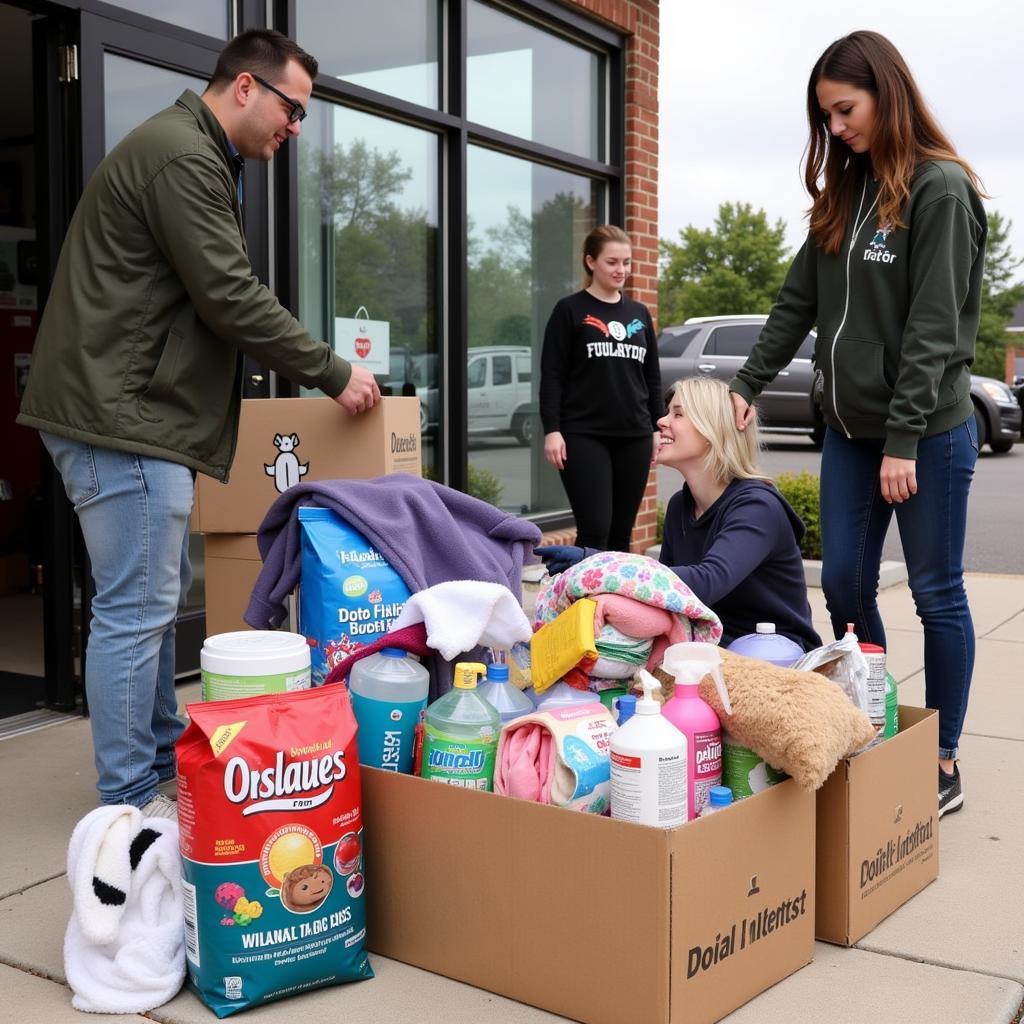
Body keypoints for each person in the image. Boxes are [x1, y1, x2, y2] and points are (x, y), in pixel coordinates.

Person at [17, 30, 380, 818]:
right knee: (131, 612)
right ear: (246, 88)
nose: (296, 127)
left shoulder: (189, 151)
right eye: (293, 109)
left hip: (125, 412)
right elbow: (228, 294)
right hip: (123, 417)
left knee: (146, 600)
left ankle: (152, 760)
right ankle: (126, 805)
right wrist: (332, 370)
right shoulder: (185, 157)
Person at [728, 30, 987, 817]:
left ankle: (941, 757)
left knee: (937, 593)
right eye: (827, 117)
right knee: (842, 583)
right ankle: (870, 717)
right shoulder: (843, 195)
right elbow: (796, 303)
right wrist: (748, 380)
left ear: (886, 92)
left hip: (927, 434)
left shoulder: (940, 190)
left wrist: (904, 438)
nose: (836, 128)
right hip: (848, 431)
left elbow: (936, 329)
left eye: (846, 110)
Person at [537, 376, 821, 652]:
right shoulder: (679, 507)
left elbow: (706, 581)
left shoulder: (757, 507)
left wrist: (596, 563)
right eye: (667, 412)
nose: (661, 421)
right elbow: (667, 596)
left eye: (678, 414)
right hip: (707, 647)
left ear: (712, 430)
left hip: (775, 657)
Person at [539, 224, 662, 553]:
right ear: (591, 262)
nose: (621, 270)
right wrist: (552, 429)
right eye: (612, 262)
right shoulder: (570, 310)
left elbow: (651, 375)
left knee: (621, 534)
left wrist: (656, 426)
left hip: (634, 435)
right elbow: (552, 374)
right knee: (595, 529)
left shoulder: (638, 314)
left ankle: (617, 606)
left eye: (627, 262)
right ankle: (586, 604)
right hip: (583, 435)